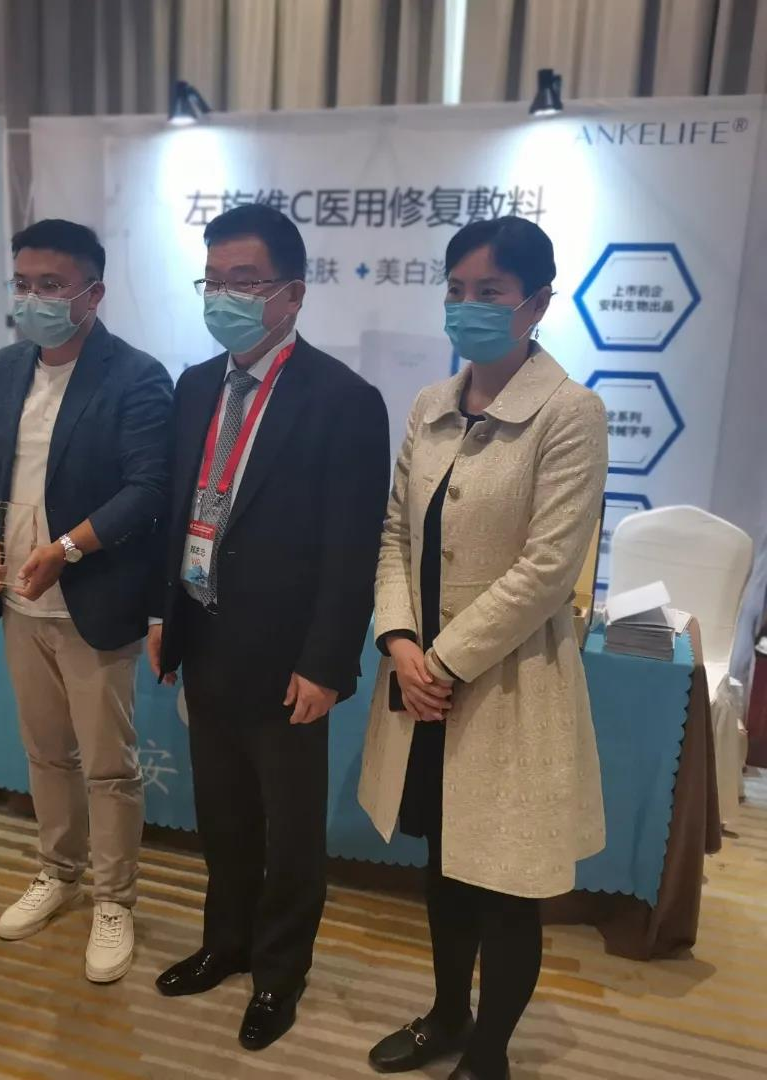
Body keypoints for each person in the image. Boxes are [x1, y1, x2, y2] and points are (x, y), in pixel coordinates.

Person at [359, 217, 608, 1080]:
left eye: (490, 293)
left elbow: (549, 569)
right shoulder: (431, 405)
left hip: (505, 685)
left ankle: (489, 1054)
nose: (467, 307)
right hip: (422, 683)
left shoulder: (569, 413)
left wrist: (441, 662)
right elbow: (395, 535)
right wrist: (399, 641)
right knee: (445, 865)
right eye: (456, 290)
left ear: (536, 302)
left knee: (503, 882)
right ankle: (445, 1016)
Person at [149, 203, 390, 1051]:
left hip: (289, 660)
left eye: (243, 281)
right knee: (222, 816)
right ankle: (226, 943)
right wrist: (165, 614)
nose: (224, 297)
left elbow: (351, 548)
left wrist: (326, 663)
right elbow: (180, 511)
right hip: (206, 639)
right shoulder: (194, 386)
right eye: (212, 280)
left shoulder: (343, 400)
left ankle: (280, 973)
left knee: (290, 832)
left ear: (292, 292)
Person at [0, 219, 172, 983]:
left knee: (108, 767)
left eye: (51, 285)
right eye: (23, 283)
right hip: (20, 603)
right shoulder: (5, 366)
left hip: (92, 600)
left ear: (94, 292)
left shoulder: (136, 375)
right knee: (46, 754)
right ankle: (58, 871)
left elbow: (147, 489)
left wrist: (67, 548)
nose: (33, 299)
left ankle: (115, 899)